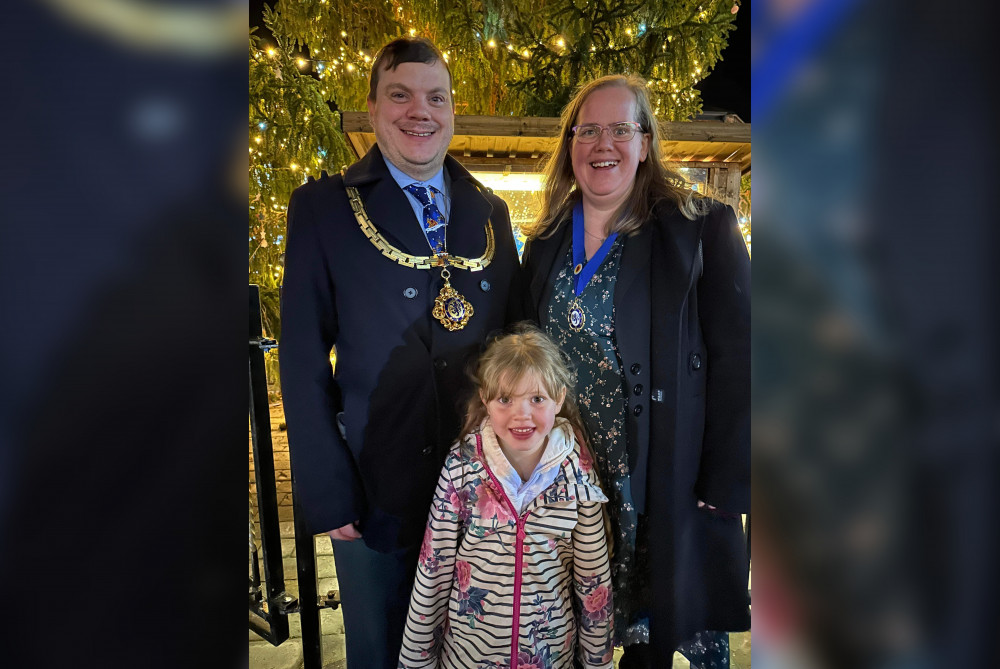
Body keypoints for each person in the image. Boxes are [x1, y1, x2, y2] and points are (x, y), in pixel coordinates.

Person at [279, 37, 522, 668]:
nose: (421, 111)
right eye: (401, 94)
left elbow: (519, 348)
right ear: (372, 108)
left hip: (483, 488)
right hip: (373, 487)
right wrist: (329, 493)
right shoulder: (322, 208)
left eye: (435, 97)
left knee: (478, 648)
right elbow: (302, 361)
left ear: (451, 110)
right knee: (380, 650)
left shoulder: (490, 212)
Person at [520, 74, 751, 667]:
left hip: (663, 485)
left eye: (620, 129)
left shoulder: (700, 228)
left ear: (645, 143)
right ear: (570, 145)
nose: (604, 143)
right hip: (571, 494)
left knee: (656, 645)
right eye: (588, 130)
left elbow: (741, 361)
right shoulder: (543, 241)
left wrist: (725, 487)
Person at [398, 323, 614, 668]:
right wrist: (415, 663)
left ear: (558, 399)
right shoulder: (461, 467)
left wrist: (597, 663)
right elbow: (432, 571)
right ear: (485, 399)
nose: (521, 414)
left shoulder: (578, 475)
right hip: (468, 658)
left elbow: (593, 583)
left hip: (550, 658)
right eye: (505, 399)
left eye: (537, 398)